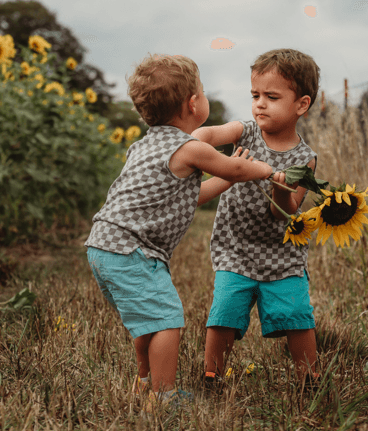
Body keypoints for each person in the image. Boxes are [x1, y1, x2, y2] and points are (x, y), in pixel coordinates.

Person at [84, 54, 273, 408]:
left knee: (147, 322)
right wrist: (263, 169)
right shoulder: (189, 147)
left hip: (104, 246)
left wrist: (228, 179)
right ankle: (163, 395)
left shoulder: (142, 146)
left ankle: (145, 383)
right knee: (167, 320)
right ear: (193, 103)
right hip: (131, 250)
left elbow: (189, 196)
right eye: (201, 90)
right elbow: (232, 167)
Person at [192, 48, 322, 390]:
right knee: (225, 311)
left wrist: (281, 189)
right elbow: (209, 135)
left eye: (271, 96)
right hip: (236, 248)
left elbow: (286, 211)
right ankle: (212, 375)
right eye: (255, 95)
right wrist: (193, 143)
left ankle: (308, 377)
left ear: (301, 105)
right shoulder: (245, 131)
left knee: (297, 315)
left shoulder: (304, 158)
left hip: (282, 252)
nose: (259, 104)